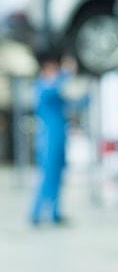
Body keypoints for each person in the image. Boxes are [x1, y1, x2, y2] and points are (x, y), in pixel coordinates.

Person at [29, 48, 76, 225]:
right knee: (47, 175)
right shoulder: (41, 85)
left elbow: (71, 101)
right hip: (47, 139)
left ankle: (55, 213)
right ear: (46, 67)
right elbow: (51, 91)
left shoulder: (56, 87)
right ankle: (35, 213)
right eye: (53, 67)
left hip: (60, 137)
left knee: (59, 175)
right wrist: (66, 73)